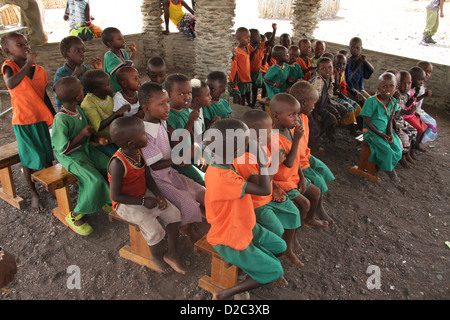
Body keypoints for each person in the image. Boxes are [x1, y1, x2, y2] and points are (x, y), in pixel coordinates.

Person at [204, 118, 287, 300]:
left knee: (280, 246)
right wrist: (262, 160)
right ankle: (224, 293)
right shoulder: (222, 176)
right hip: (229, 236)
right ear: (236, 151)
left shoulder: (222, 163)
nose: (252, 145)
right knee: (276, 270)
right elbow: (265, 189)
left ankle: (254, 268)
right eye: (248, 143)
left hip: (244, 226)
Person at [108, 116, 186, 274]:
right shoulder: (118, 164)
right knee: (156, 231)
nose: (147, 136)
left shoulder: (138, 152)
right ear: (131, 143)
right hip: (125, 204)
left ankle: (172, 253)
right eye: (143, 134)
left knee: (174, 214)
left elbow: (148, 177)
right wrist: (143, 201)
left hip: (143, 195)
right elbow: (116, 196)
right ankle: (156, 257)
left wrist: (158, 195)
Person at [234, 109, 303, 266]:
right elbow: (260, 183)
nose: (273, 134)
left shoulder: (262, 148)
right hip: (256, 203)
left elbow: (269, 179)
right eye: (270, 131)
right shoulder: (244, 159)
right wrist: (276, 165)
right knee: (276, 230)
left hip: (270, 193)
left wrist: (277, 187)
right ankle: (269, 259)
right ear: (257, 139)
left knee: (294, 213)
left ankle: (288, 250)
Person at [138, 82, 205, 242]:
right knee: (187, 202)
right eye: (161, 104)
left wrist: (184, 151)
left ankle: (199, 216)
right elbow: (153, 165)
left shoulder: (161, 121)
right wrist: (176, 159)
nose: (167, 107)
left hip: (171, 171)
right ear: (146, 108)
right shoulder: (145, 134)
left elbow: (173, 140)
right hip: (159, 179)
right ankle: (186, 227)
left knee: (202, 191)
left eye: (167, 102)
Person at [1, 32, 55, 212]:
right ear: (9, 52)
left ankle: (51, 184)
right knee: (28, 158)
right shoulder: (9, 67)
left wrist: (54, 116)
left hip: (41, 119)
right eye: (19, 44)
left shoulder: (38, 70)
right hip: (24, 122)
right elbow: (11, 84)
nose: (26, 47)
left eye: (26, 43)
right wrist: (27, 65)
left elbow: (44, 95)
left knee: (47, 155)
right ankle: (33, 193)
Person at [52, 76, 112, 235]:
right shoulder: (60, 118)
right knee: (94, 180)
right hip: (70, 156)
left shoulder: (78, 110)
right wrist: (81, 135)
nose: (83, 92)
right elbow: (62, 148)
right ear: (77, 96)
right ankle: (75, 214)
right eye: (81, 90)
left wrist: (98, 139)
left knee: (110, 165)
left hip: (84, 148)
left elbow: (86, 136)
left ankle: (104, 198)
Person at [290, 81, 336, 226]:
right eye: (313, 103)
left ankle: (317, 203)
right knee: (318, 180)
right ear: (303, 103)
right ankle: (318, 208)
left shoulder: (303, 116)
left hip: (306, 155)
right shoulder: (290, 124)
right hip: (298, 163)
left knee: (324, 171)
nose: (314, 107)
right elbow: (292, 155)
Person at [360, 72, 403, 181]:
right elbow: (367, 121)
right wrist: (380, 134)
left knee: (398, 148)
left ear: (396, 87)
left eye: (391, 86)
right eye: (384, 86)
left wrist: (389, 133)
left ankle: (382, 165)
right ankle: (389, 170)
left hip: (384, 131)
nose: (388, 89)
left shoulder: (393, 102)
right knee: (386, 149)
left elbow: (390, 120)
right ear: (379, 88)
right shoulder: (371, 101)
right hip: (371, 132)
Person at [165, 73, 205, 186]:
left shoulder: (185, 110)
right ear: (169, 95)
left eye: (189, 93)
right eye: (181, 94)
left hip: (190, 154)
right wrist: (191, 121)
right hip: (180, 160)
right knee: (202, 180)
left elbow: (191, 132)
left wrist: (196, 148)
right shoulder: (168, 116)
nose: (187, 97)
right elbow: (176, 142)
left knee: (210, 168)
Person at [81, 69, 130, 157]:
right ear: (96, 91)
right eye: (107, 84)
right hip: (100, 142)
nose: (111, 85)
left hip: (112, 137)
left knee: (130, 151)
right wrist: (117, 113)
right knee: (118, 157)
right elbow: (98, 127)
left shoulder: (108, 97)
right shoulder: (88, 103)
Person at [53, 36, 102, 111]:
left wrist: (97, 71)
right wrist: (75, 75)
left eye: (83, 50)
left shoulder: (87, 70)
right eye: (77, 51)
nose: (82, 53)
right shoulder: (61, 73)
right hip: (69, 112)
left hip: (86, 111)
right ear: (66, 54)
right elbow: (60, 91)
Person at [309, 57, 340, 150]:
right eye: (324, 68)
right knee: (315, 127)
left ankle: (316, 139)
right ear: (317, 71)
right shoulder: (319, 81)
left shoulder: (328, 78)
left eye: (330, 68)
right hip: (310, 108)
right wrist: (316, 114)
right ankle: (311, 144)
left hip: (319, 108)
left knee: (332, 120)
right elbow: (315, 99)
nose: (328, 70)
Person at [331, 53, 362, 134]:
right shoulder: (332, 73)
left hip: (340, 95)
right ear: (333, 63)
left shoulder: (342, 73)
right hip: (333, 97)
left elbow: (344, 85)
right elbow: (334, 89)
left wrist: (352, 91)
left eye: (343, 64)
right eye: (338, 64)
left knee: (357, 106)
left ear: (346, 64)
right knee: (350, 109)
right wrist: (337, 76)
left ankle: (360, 126)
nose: (341, 66)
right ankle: (351, 129)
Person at [393, 70, 418, 167]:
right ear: (398, 84)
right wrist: (406, 112)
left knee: (414, 131)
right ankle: (401, 157)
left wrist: (409, 111)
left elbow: (402, 109)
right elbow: (393, 112)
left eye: (409, 83)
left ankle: (407, 153)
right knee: (405, 136)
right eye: (404, 83)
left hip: (400, 120)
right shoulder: (395, 95)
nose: (407, 86)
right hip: (394, 121)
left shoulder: (406, 95)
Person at [249, 24, 277, 107]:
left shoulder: (261, 45)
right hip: (250, 72)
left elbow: (270, 41)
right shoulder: (249, 47)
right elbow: (249, 59)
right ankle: (252, 104)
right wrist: (255, 50)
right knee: (254, 89)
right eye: (257, 36)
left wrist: (274, 30)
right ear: (251, 38)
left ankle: (262, 102)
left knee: (263, 85)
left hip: (258, 71)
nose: (260, 38)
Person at [102, 27, 137, 92]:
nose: (123, 40)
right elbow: (124, 71)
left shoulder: (123, 52)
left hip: (125, 88)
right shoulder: (109, 55)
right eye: (119, 39)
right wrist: (133, 53)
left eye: (122, 37)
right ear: (110, 43)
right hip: (116, 89)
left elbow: (129, 69)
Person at [345, 37, 374, 106]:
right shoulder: (348, 62)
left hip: (360, 89)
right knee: (365, 103)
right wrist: (358, 64)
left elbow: (371, 70)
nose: (355, 50)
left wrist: (364, 61)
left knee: (373, 101)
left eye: (357, 48)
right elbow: (348, 78)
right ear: (349, 48)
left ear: (361, 49)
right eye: (352, 48)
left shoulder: (362, 60)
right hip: (351, 89)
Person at [414, 62, 438, 145]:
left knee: (433, 122)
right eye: (425, 71)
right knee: (431, 124)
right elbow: (410, 101)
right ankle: (417, 144)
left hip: (418, 110)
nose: (427, 74)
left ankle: (418, 143)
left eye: (429, 72)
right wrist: (424, 95)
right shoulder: (415, 85)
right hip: (414, 111)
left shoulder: (421, 84)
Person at [234, 27, 254, 106]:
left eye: (249, 37)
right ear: (238, 39)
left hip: (247, 77)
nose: (249, 39)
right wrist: (236, 79)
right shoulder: (237, 51)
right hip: (241, 79)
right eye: (246, 38)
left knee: (248, 93)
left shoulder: (247, 48)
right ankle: (241, 107)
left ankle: (249, 105)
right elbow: (235, 67)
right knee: (241, 95)